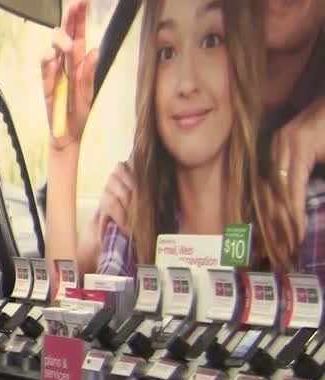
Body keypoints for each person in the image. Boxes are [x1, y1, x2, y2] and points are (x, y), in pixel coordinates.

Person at [41, 0, 325, 278]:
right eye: (166, 52)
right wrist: (64, 149)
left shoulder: (304, 215)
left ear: (244, 61)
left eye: (211, 41)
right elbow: (68, 321)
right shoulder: (135, 218)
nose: (186, 83)